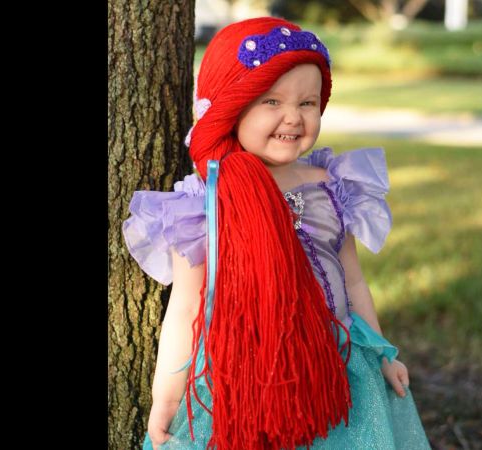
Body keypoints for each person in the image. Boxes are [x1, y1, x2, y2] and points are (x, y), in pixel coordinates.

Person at [123, 16, 430, 450]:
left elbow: (353, 279)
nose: (294, 116)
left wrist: (383, 353)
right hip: (246, 377)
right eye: (271, 101)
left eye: (308, 102)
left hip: (337, 368)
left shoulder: (330, 183)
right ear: (231, 107)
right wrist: (166, 397)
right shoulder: (204, 203)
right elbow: (186, 307)